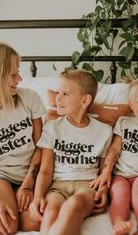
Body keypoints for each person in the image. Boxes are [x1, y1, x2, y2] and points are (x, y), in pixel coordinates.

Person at [0, 40, 46, 235]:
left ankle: (9, 200)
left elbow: (41, 146)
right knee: (7, 226)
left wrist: (28, 184)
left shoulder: (29, 99)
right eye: (13, 74)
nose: (20, 78)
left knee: (38, 220)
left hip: (29, 173)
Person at [29, 69, 113, 235]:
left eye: (65, 94)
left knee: (73, 205)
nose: (57, 98)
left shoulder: (104, 131)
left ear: (85, 100)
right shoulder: (53, 127)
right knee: (51, 211)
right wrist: (37, 196)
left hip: (87, 185)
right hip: (58, 186)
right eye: (57, 92)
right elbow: (45, 170)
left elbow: (104, 170)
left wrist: (103, 189)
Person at [90, 78, 138, 235]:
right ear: (130, 104)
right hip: (120, 174)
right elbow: (114, 149)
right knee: (119, 196)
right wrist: (106, 171)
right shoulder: (124, 122)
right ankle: (119, 223)